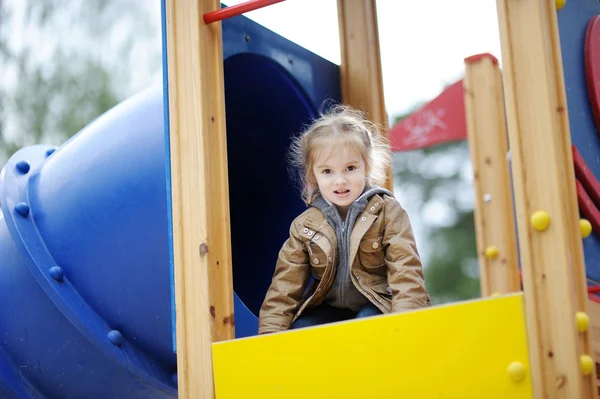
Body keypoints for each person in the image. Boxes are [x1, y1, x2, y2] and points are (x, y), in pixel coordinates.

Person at [258, 104, 430, 334]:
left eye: (350, 168)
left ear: (366, 167)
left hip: (377, 303)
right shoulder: (305, 226)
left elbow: (405, 270)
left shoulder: (388, 211)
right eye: (327, 171)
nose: (340, 181)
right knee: (302, 331)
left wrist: (409, 323)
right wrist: (270, 336)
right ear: (314, 175)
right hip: (330, 307)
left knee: (366, 327)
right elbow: (285, 285)